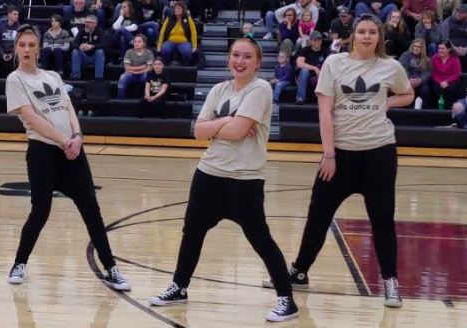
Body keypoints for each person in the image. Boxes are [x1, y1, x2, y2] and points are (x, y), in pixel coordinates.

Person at [263, 14, 414, 309]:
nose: (367, 37)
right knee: (318, 214)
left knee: (382, 219)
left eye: (372, 32)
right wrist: (329, 154)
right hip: (339, 156)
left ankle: (390, 281)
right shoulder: (334, 63)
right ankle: (299, 271)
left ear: (379, 37)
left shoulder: (391, 66)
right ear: (353, 36)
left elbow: (407, 93)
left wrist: (388, 102)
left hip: (379, 153)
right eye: (362, 32)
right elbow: (324, 112)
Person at [148, 38, 299, 323]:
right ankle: (179, 287)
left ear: (257, 62)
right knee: (191, 232)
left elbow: (237, 131)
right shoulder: (218, 89)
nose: (239, 61)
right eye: (235, 55)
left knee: (260, 239)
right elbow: (198, 131)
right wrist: (226, 123)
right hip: (208, 174)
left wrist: (220, 125)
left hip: (244, 179)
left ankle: (286, 300)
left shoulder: (260, 89)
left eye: (246, 56)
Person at [5, 25, 131, 291]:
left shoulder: (52, 76)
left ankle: (111, 268)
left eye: (31, 45)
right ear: (16, 48)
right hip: (42, 153)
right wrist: (65, 142)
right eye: (22, 45)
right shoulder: (15, 80)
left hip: (73, 150)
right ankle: (19, 262)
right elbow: (32, 119)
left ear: (38, 48)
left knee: (91, 210)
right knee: (40, 211)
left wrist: (78, 137)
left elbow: (68, 107)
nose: (26, 49)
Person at [157, 1, 197, 66]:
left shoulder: (188, 18)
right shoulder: (169, 18)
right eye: (175, 8)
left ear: (183, 10)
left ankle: (185, 65)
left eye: (179, 8)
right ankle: (166, 65)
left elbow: (193, 32)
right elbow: (162, 32)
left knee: (186, 51)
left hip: (184, 41)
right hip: (170, 41)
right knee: (164, 49)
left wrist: (194, 46)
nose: (177, 10)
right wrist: (159, 45)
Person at [295, 31, 329, 105]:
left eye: (319, 39)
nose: (317, 41)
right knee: (304, 71)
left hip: (320, 75)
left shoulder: (325, 51)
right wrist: (314, 68)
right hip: (307, 75)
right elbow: (299, 63)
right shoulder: (305, 50)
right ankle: (300, 97)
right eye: (315, 40)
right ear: (311, 41)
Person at [117, 34, 154, 99]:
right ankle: (120, 100)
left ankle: (148, 99)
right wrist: (141, 67)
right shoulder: (129, 52)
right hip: (131, 74)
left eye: (139, 42)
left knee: (150, 78)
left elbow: (149, 69)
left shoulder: (149, 53)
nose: (136, 43)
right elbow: (127, 68)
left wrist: (136, 71)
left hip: (143, 75)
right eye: (135, 41)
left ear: (144, 44)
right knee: (122, 78)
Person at [399, 39, 432, 108]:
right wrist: (408, 79)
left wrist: (421, 80)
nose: (416, 48)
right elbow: (402, 69)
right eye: (415, 46)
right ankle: (407, 108)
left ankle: (421, 108)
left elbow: (427, 72)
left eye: (419, 47)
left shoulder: (426, 59)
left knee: (425, 89)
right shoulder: (406, 55)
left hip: (419, 79)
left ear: (422, 49)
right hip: (408, 79)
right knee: (407, 88)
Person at [70, 15, 105, 80]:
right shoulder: (81, 31)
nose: (86, 24)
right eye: (85, 22)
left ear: (94, 24)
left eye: (88, 22)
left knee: (100, 51)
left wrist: (92, 46)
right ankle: (75, 75)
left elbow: (104, 45)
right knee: (75, 51)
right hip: (84, 57)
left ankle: (99, 76)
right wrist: (79, 46)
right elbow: (74, 44)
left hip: (95, 58)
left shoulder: (100, 32)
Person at [431, 40, 461, 109]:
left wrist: (446, 81)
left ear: (449, 49)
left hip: (451, 80)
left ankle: (450, 108)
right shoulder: (434, 58)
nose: (440, 50)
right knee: (437, 88)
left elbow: (456, 74)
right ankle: (440, 108)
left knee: (452, 87)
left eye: (442, 48)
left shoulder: (455, 58)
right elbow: (434, 74)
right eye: (439, 48)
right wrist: (440, 82)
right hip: (439, 80)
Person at [0, 6, 19, 71]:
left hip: (14, 52)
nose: (17, 16)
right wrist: (2, 54)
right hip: (3, 51)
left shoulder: (19, 28)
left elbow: (20, 44)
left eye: (17, 14)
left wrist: (12, 54)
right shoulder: (1, 27)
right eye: (14, 14)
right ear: (9, 15)